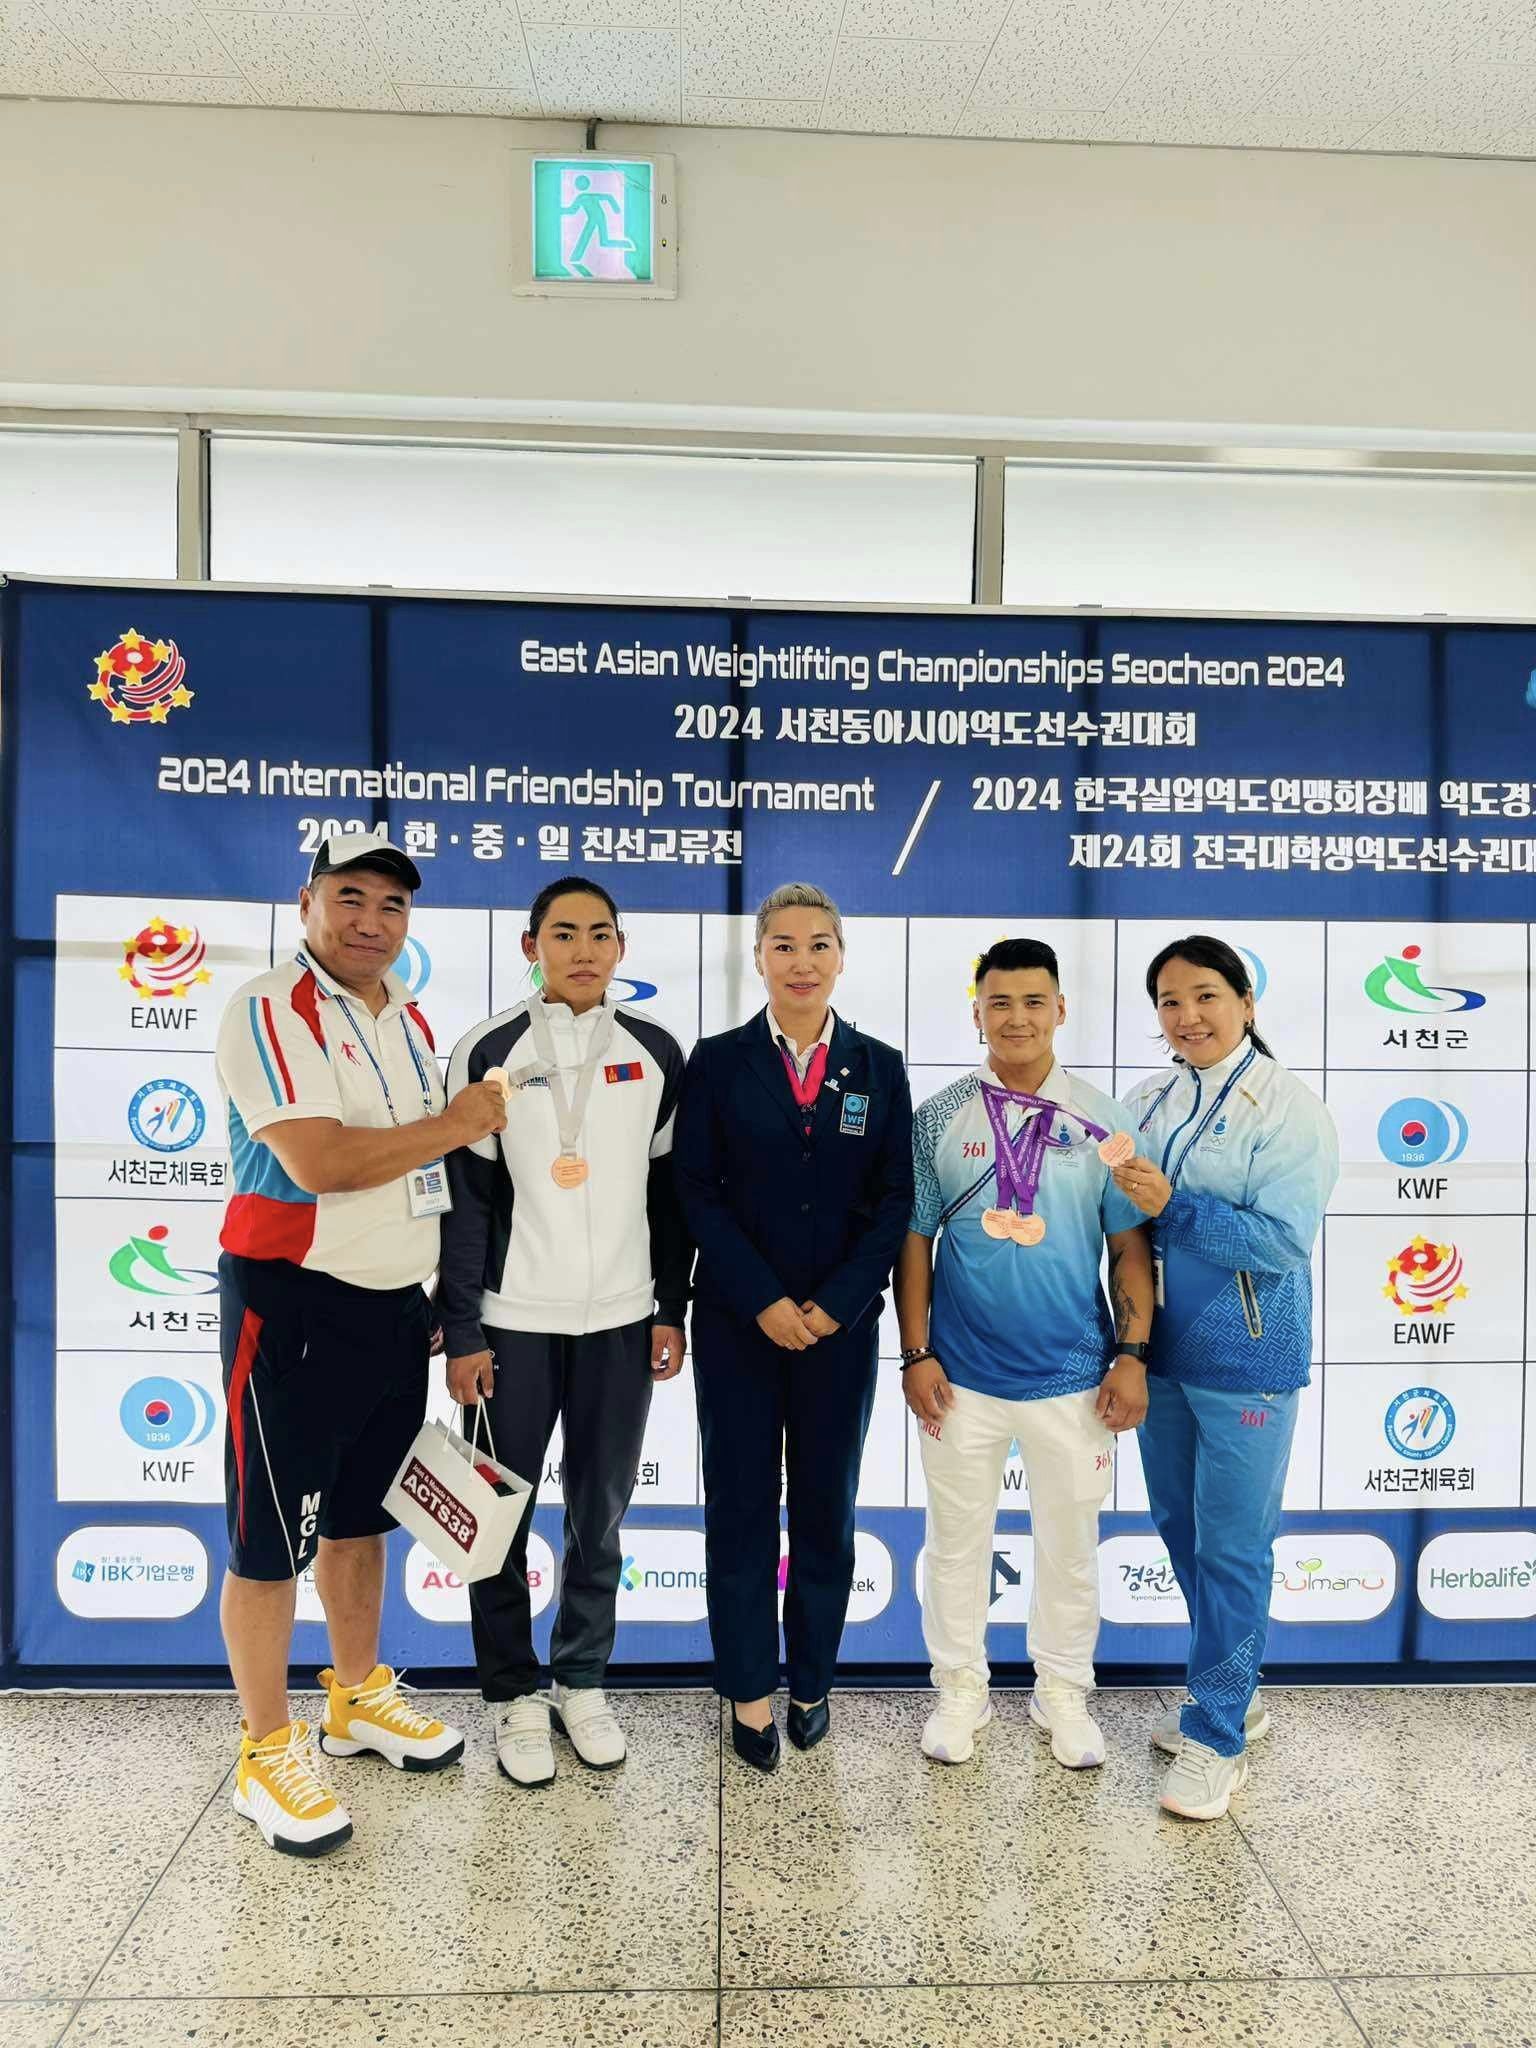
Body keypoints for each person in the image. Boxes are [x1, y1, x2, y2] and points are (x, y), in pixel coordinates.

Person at [215, 828, 508, 1856]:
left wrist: (431, 1296)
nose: (371, 921)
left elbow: (414, 1172)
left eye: (391, 904)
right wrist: (463, 1119)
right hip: (293, 1303)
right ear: (307, 903)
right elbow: (324, 1162)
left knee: (358, 1522)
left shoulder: (406, 1016)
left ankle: (353, 1697)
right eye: (350, 897)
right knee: (268, 1543)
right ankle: (264, 1751)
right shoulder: (270, 1005)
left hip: (393, 1309)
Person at [438, 878, 691, 1787]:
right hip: (510, 1326)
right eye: (563, 934)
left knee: (600, 1513)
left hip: (621, 1322)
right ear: (530, 946)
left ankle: (581, 1680)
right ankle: (511, 1694)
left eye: (599, 935)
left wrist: (670, 1307)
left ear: (621, 947)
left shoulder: (656, 1051)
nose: (583, 950)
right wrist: (462, 1328)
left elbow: (669, 1198)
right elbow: (465, 1203)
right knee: (494, 1518)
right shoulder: (487, 1050)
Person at [897, 938, 1154, 1771]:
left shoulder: (1105, 1121)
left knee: (1070, 1544)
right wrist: (915, 1353)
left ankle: (1063, 1692)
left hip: (1074, 1377)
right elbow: (914, 1241)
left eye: (1034, 1002)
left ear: (1060, 1010)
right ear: (977, 1013)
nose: (1017, 1018)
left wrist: (1131, 1354)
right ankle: (959, 1689)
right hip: (959, 1378)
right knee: (955, 1542)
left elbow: (1128, 1248)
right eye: (999, 1003)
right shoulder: (939, 1116)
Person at [674, 883, 912, 1772]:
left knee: (825, 1509)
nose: (801, 962)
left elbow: (894, 1199)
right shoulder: (717, 1060)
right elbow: (695, 1190)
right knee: (739, 1509)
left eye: (818, 945)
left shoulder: (878, 1066)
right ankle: (747, 1691)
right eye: (784, 946)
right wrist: (762, 1298)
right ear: (760, 959)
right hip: (739, 1326)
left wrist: (838, 1301)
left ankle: (811, 1682)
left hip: (839, 1331)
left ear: (841, 956)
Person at [1115, 935, 1338, 1821]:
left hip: (1249, 1360)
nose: (1188, 1016)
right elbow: (1119, 1226)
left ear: (1246, 1002)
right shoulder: (1148, 1099)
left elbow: (1280, 1242)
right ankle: (1234, 1696)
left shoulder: (1287, 1108)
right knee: (1181, 1530)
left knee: (1235, 1547)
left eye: (1205, 996)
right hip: (1160, 1355)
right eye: (1169, 1001)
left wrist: (1175, 1207)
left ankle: (1215, 1738)